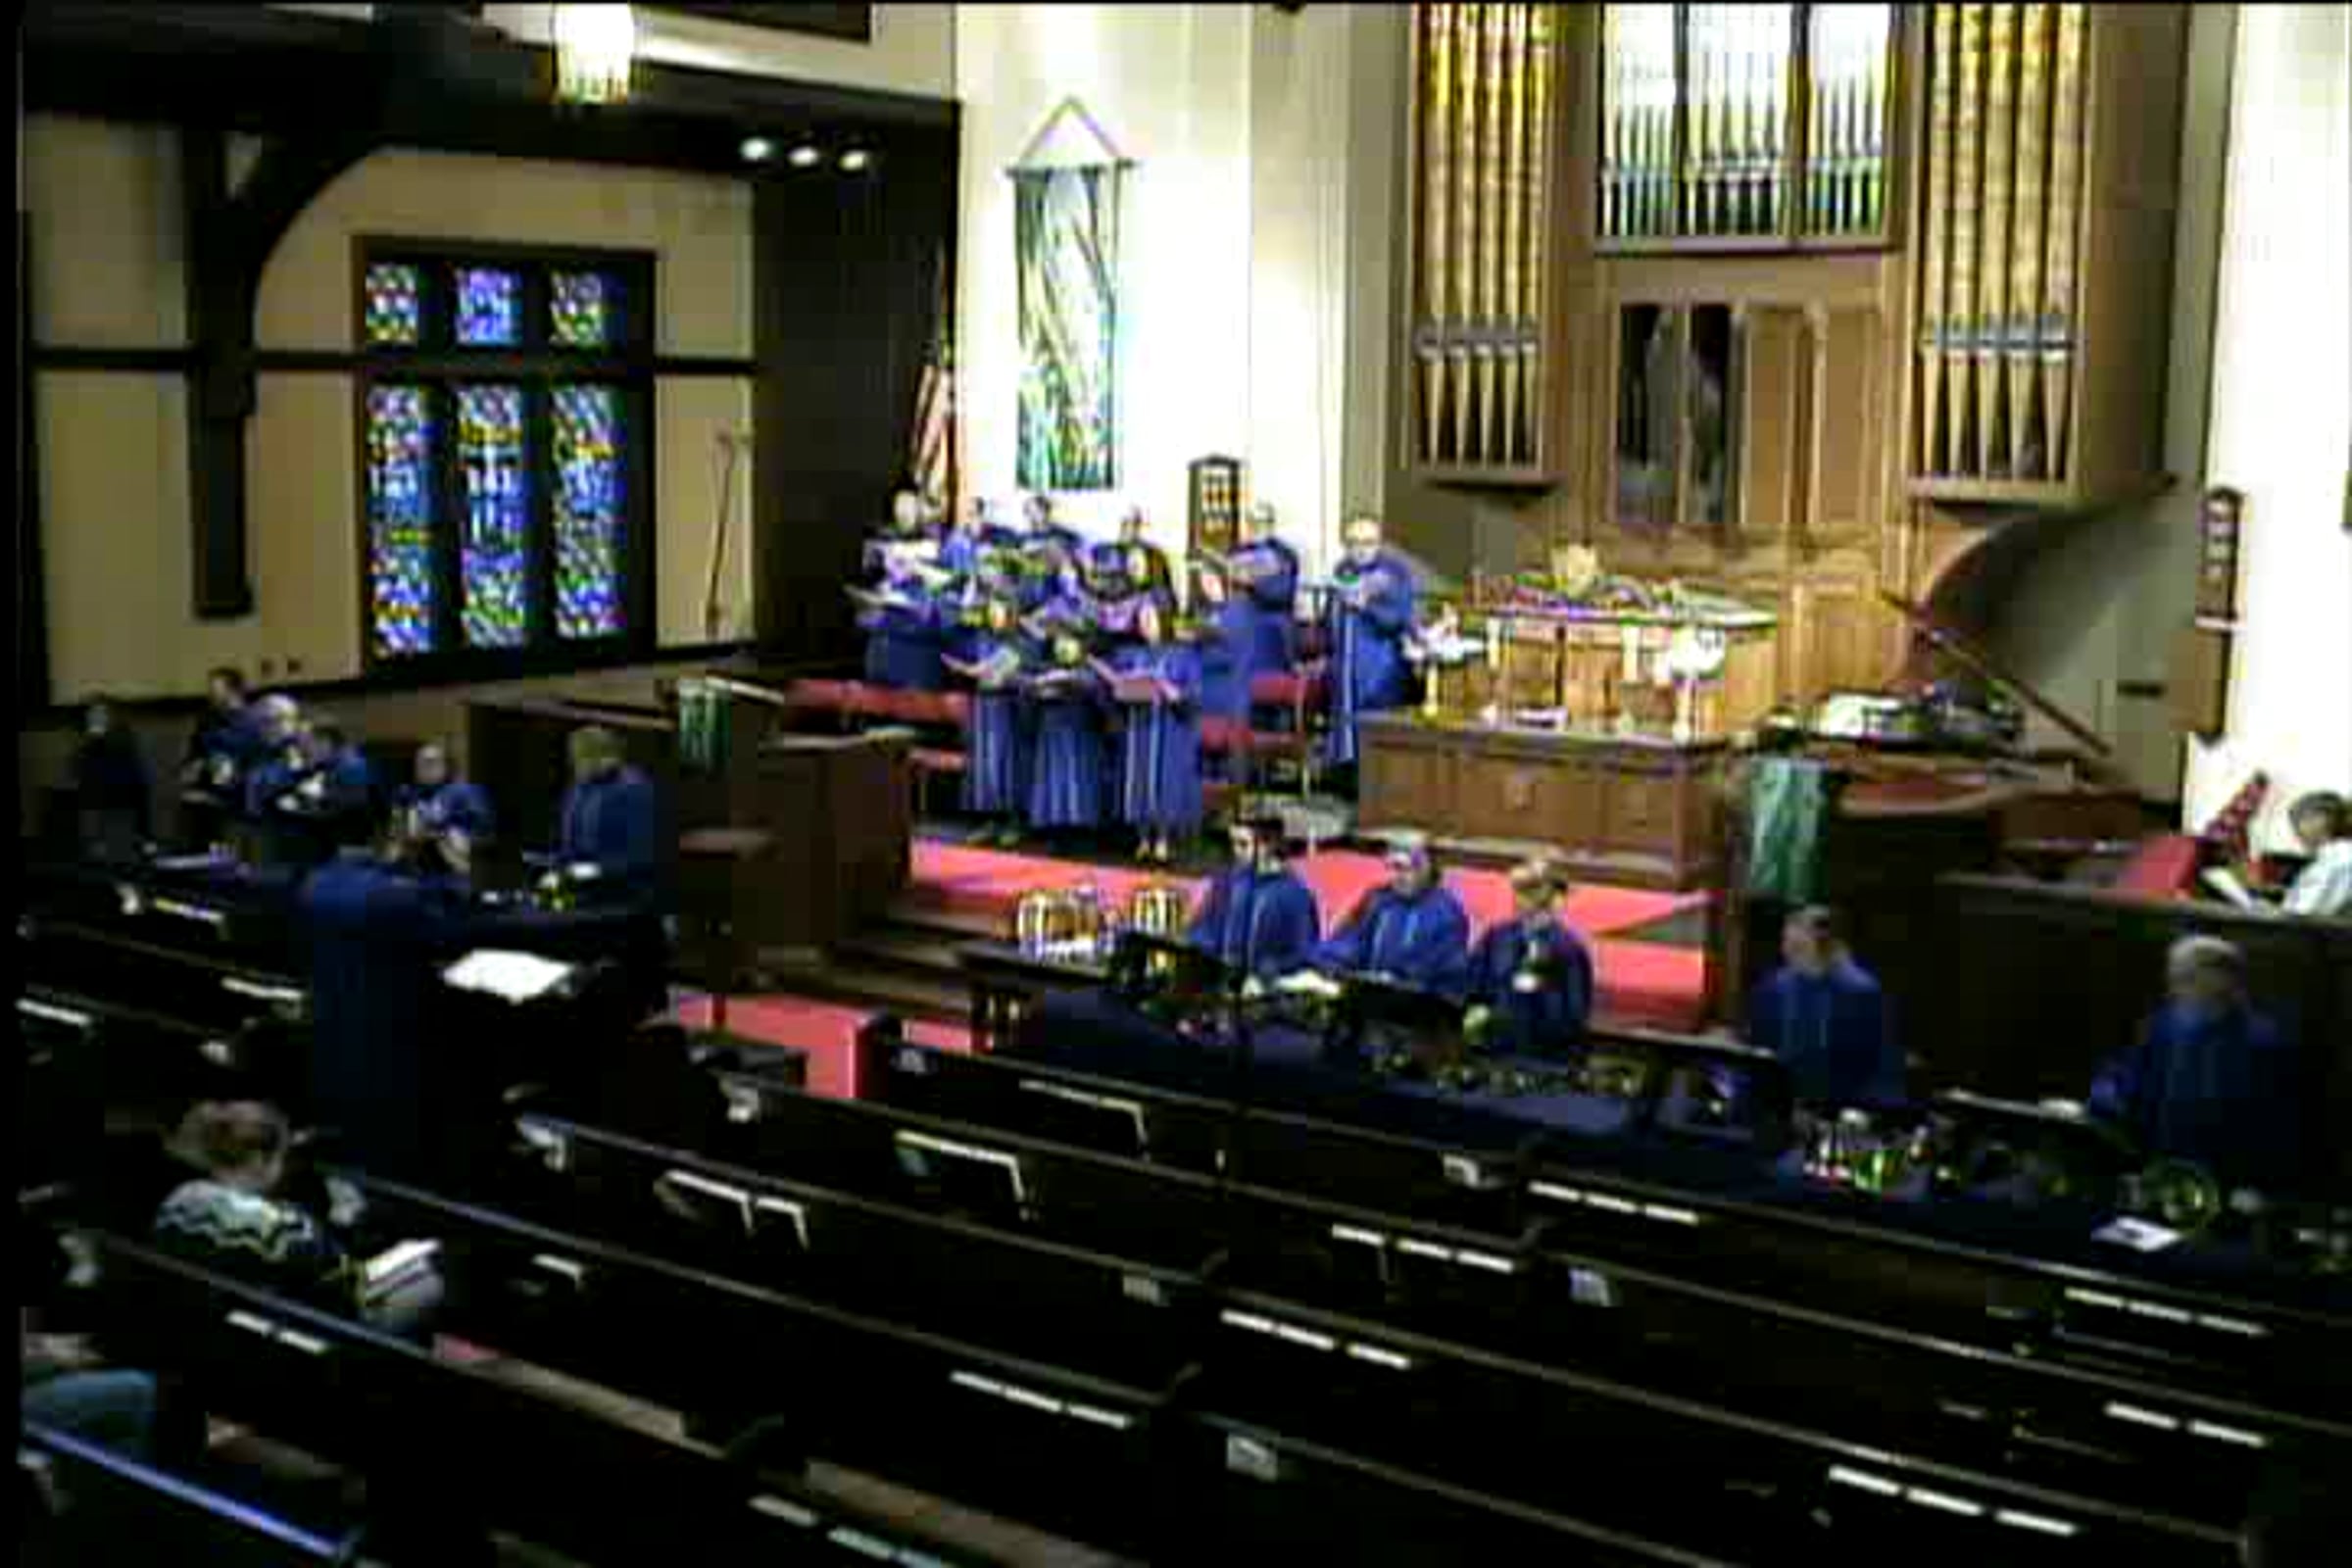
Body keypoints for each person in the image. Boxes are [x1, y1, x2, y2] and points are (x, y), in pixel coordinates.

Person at [2087, 935, 2304, 1198]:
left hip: (2225, 1180)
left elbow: (2275, 1126)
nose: (2174, 990)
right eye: (2173, 979)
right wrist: (2102, 1096)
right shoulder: (2165, 1024)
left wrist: (2258, 1186)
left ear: (2222, 980)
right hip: (2156, 1166)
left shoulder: (2261, 1043)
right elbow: (2125, 1076)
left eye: (2185, 979)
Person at [152, 1100, 353, 1310]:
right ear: (258, 1159)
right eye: (283, 1156)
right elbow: (350, 1283)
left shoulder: (177, 1200)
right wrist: (344, 1211)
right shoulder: (282, 1229)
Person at [1744, 906, 1903, 1108]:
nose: (1787, 953)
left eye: (1798, 947)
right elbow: (1757, 1053)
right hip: (1779, 1105)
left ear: (1833, 947)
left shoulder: (1862, 992)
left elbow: (1882, 1066)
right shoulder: (1773, 987)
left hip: (1841, 1107)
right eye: (1787, 944)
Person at [1307, 832, 1471, 997]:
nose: (1397, 877)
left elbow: (1444, 974)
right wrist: (1327, 961)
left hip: (1415, 1002)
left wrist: (1394, 980)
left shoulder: (1447, 916)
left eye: (1406, 869)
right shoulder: (1380, 900)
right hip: (1367, 993)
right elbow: (1353, 942)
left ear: (1428, 870)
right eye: (1393, 868)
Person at [1465, 858, 1596, 1059]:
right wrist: (1478, 1026)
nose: (1518, 898)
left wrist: (1539, 990)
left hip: (1544, 1054)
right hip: (1496, 1045)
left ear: (1550, 898)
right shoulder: (1497, 935)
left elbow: (1575, 1014)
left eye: (1529, 891)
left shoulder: (1569, 949)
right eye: (1518, 890)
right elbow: (1474, 987)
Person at [1107, 598, 1203, 864]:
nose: (1145, 625)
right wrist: (1120, 687)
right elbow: (1117, 686)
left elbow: (1195, 693)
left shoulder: (1182, 654)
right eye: (1141, 620)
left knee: (1164, 781)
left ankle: (1162, 839)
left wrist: (1175, 693)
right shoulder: (1131, 654)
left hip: (1169, 727)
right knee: (1137, 781)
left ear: (1163, 619)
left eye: (1150, 619)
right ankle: (1142, 838)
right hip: (1138, 726)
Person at [1322, 514, 1418, 773]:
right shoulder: (1343, 569)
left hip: (1379, 667)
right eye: (1353, 542)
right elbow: (1330, 614)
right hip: (1345, 664)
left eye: (1367, 542)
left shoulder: (1395, 572)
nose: (1360, 549)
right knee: (1345, 728)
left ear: (1379, 542)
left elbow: (1399, 618)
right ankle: (1345, 775)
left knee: (1374, 735)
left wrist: (1366, 606)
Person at [946, 597, 1034, 849]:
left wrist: (1010, 678)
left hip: (1007, 707)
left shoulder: (1020, 643)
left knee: (1006, 763)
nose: (995, 615)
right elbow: (968, 666)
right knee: (984, 766)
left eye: (1000, 610)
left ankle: (1013, 822)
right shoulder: (981, 639)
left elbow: (1024, 674)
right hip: (983, 706)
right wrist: (964, 670)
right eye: (991, 610)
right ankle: (989, 821)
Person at [1188, 814, 1322, 979]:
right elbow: (1203, 929)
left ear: (1270, 845)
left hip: (1265, 984)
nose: (1236, 851)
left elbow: (1303, 952)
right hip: (1218, 977)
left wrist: (1273, 967)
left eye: (1243, 844)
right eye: (1233, 843)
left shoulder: (1295, 894)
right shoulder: (1227, 883)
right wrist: (1203, 949)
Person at [1022, 627, 1109, 840]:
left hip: (1080, 731)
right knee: (1053, 778)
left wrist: (1080, 684)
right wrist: (1036, 689)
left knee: (1078, 779)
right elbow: (1027, 689)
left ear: (1080, 646)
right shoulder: (1045, 668)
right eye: (1060, 642)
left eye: (1069, 642)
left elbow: (1102, 702)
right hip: (1051, 729)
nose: (1063, 647)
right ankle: (1054, 825)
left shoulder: (1091, 669)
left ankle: (1080, 826)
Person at [554, 726, 661, 897]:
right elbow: (569, 844)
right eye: (574, 759)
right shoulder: (578, 788)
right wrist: (558, 864)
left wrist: (593, 870)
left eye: (581, 758)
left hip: (623, 891)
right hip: (578, 884)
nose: (574, 765)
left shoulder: (635, 789)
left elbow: (641, 856)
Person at [178, 666, 261, 849]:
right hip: (209, 802)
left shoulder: (253, 724)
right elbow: (195, 758)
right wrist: (191, 772)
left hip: (237, 804)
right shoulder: (207, 722)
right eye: (210, 690)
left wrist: (218, 789)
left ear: (234, 691)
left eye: (216, 690)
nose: (210, 695)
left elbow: (249, 768)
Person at [855, 542, 947, 691]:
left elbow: (933, 629)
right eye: (889, 560)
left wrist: (884, 620)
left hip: (913, 676)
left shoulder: (933, 590)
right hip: (879, 673)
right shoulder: (884, 586)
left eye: (899, 562)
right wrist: (869, 613)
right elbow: (862, 620)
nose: (891, 567)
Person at [393, 741, 494, 877]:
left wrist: (452, 835)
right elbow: (399, 834)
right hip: (422, 869)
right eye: (419, 763)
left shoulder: (466, 792)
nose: (425, 768)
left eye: (431, 762)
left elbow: (486, 833)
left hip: (460, 865)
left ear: (445, 766)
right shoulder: (408, 794)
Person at [70, 698, 152, 862]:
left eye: (101, 714)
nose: (95, 718)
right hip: (96, 812)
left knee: (118, 859)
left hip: (120, 811)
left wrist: (143, 834)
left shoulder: (122, 742)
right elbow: (80, 775)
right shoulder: (85, 744)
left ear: (111, 717)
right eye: (92, 714)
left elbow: (136, 785)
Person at [1229, 503, 1301, 683]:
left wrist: (1253, 582)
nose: (1256, 527)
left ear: (1271, 525)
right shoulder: (1237, 551)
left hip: (1273, 622)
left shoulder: (1285, 554)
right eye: (1252, 522)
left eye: (1261, 522)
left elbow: (1283, 593)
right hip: (1243, 621)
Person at [2279, 791, 2352, 918]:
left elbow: (2305, 914)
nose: (2296, 833)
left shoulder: (2336, 861)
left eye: (2298, 822)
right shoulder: (2338, 856)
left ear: (2320, 820)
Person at [1116, 507, 1176, 604]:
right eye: (1128, 523)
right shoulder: (1114, 555)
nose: (1133, 528)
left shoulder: (1155, 554)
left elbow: (1165, 592)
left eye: (1136, 523)